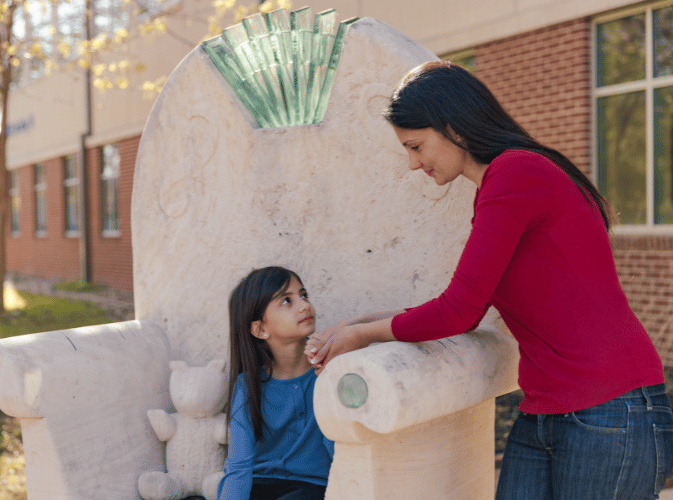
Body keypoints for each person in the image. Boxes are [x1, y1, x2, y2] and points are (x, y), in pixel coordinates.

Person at [305, 61, 673, 500]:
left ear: (453, 128)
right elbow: (469, 303)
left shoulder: (516, 173)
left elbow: (457, 312)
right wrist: (364, 322)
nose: (412, 163)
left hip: (610, 410)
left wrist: (363, 334)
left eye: (417, 146)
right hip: (547, 409)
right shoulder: (502, 183)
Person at [218, 266, 333, 500]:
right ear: (260, 329)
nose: (304, 305)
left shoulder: (330, 373)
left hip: (312, 487)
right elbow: (238, 467)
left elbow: (341, 453)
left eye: (303, 295)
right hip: (262, 484)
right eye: (286, 301)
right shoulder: (248, 386)